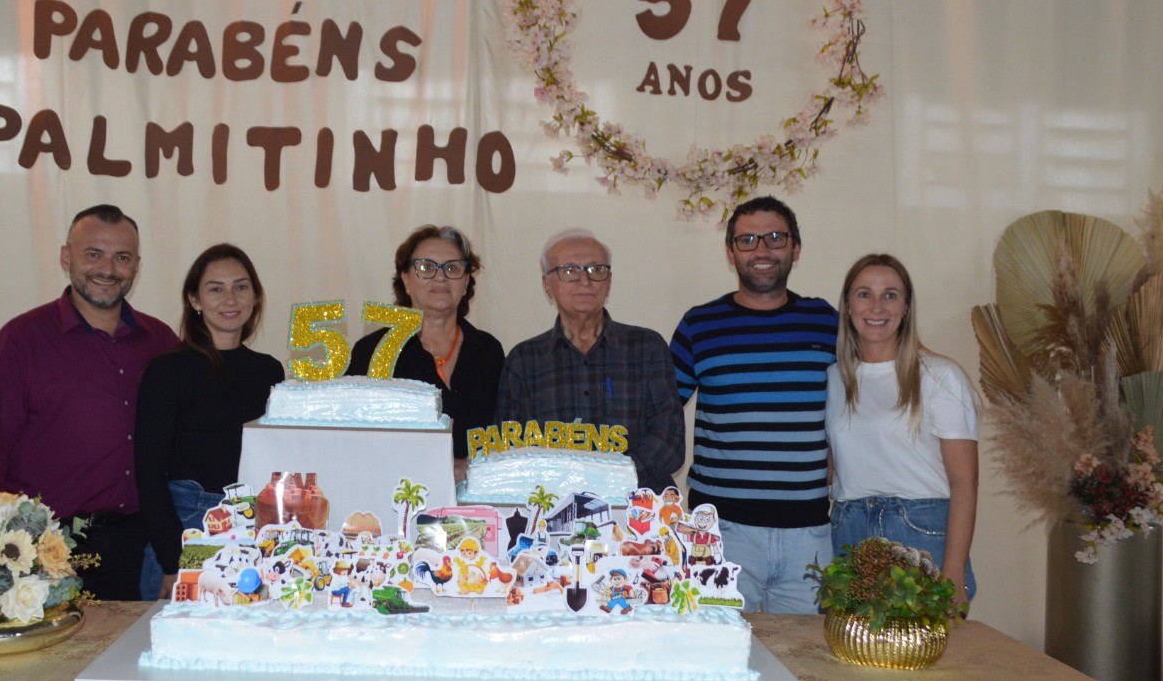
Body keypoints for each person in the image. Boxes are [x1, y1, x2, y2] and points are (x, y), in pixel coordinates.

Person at [0, 204, 178, 600]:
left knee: (134, 660)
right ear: (66, 257)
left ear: (137, 266)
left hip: (142, 552)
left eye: (121, 257)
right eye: (93, 253)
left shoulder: (161, 343)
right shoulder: (21, 341)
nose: (107, 269)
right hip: (45, 552)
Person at [670, 196, 838, 612]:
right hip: (722, 532)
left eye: (775, 238)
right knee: (717, 661)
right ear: (731, 253)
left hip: (810, 535)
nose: (762, 250)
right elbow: (661, 410)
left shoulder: (827, 322)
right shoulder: (700, 324)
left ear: (795, 249)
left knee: (806, 666)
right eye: (747, 240)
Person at [824, 253, 978, 605]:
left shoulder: (941, 376)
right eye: (864, 294)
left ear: (906, 307)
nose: (877, 306)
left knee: (924, 656)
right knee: (853, 654)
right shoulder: (834, 379)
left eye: (890, 295)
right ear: (848, 305)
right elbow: (833, 469)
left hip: (920, 534)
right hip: (850, 532)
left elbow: (964, 482)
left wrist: (953, 572)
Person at [135, 244, 285, 599]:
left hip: (252, 529)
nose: (230, 299)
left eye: (241, 287)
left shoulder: (269, 370)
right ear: (195, 300)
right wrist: (173, 562)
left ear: (254, 298)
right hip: (189, 527)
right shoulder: (166, 370)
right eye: (215, 288)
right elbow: (149, 474)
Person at [497, 229, 684, 494]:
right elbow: (508, 449)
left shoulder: (647, 347)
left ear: (608, 282)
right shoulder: (524, 360)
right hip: (552, 510)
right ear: (547, 285)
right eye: (570, 270)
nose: (585, 280)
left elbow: (671, 442)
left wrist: (608, 479)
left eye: (596, 269)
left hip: (638, 514)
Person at [349, 225, 504, 481]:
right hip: (397, 495)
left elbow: (503, 435)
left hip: (476, 501)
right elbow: (358, 440)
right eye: (426, 267)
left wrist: (470, 469)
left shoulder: (488, 350)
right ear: (406, 279)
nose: (440, 277)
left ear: (466, 282)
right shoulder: (372, 351)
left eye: (452, 268)